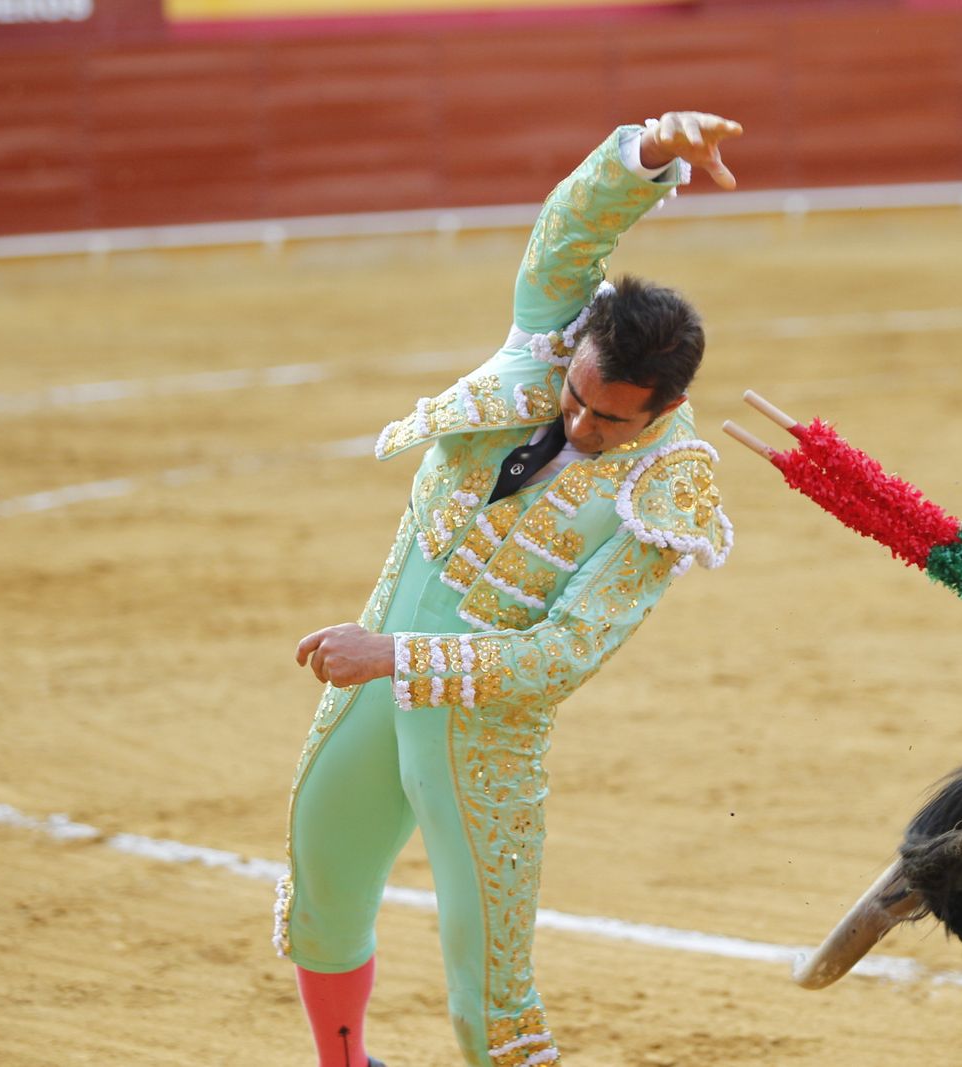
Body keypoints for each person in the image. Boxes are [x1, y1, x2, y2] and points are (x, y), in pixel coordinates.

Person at [275, 111, 743, 1067]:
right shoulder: (549, 338)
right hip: (379, 674)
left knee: (491, 998)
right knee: (320, 883)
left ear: (669, 407)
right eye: (577, 394)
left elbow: (561, 653)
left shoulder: (667, 488)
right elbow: (569, 226)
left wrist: (392, 655)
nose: (577, 424)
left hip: (478, 734)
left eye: (611, 420)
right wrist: (650, 152)